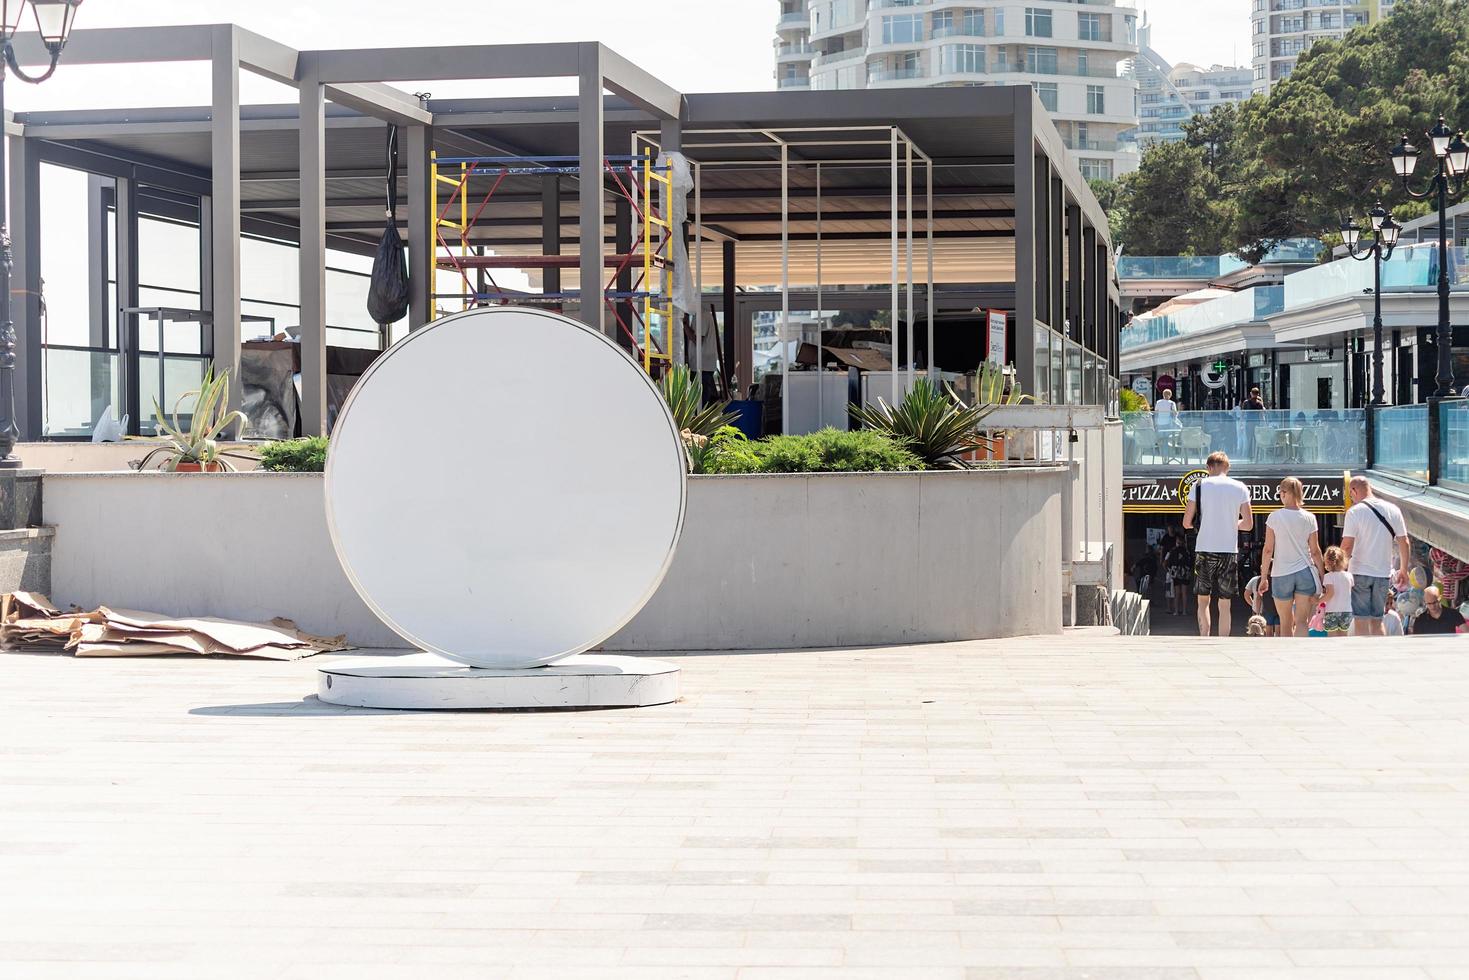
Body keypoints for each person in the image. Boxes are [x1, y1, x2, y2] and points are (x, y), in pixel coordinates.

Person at [1182, 451, 1253, 637]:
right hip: (1229, 550)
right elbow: (1248, 524)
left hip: (1204, 548)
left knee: (1203, 600)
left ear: (1209, 467)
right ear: (1227, 468)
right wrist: (1232, 523)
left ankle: (1205, 637)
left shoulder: (1198, 486)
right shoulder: (1240, 487)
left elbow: (1186, 522)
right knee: (1225, 603)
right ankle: (1224, 641)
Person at [1341, 476, 1411, 635]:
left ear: (1354, 490)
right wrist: (1404, 570)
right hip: (1382, 573)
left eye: (1350, 494)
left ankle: (1363, 655)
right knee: (1377, 620)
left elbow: (1346, 546)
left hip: (1359, 572)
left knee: (1360, 619)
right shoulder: (1393, 509)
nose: (1351, 498)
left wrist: (1340, 571)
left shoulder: (1354, 512)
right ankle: (1380, 654)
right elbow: (1404, 542)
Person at [1259, 476, 1325, 637]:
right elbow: (1315, 551)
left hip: (1281, 573)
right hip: (1304, 572)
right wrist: (1323, 576)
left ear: (1283, 493)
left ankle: (1286, 655)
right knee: (1302, 621)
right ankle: (1300, 654)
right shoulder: (1310, 517)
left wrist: (1263, 578)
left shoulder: (1274, 517)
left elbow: (1268, 550)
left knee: (1285, 622)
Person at [1320, 545, 1353, 636]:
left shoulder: (1328, 577)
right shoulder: (1349, 576)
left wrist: (1318, 601)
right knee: (1344, 635)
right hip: (1347, 610)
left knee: (1332, 636)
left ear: (1327, 562)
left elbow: (1330, 594)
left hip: (1332, 610)